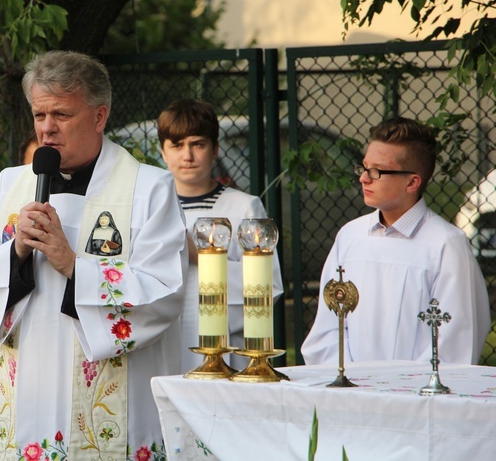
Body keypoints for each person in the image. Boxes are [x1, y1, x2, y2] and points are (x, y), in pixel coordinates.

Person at [0, 50, 187, 459]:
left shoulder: (148, 189)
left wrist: (74, 266)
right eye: (39, 116)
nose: (47, 129)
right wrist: (16, 252)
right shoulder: (10, 187)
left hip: (116, 409)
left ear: (99, 116)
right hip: (28, 403)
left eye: (61, 115)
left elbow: (164, 293)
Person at [301, 117, 491, 365]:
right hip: (350, 393)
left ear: (412, 182)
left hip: (414, 397)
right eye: (364, 168)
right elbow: (328, 329)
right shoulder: (350, 237)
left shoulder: (445, 245)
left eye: (377, 171)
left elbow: (456, 342)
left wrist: (397, 391)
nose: (364, 179)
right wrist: (350, 382)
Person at [156, 98, 284, 371]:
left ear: (215, 150)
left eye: (197, 144)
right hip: (162, 336)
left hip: (222, 342)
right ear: (163, 152)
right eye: (177, 146)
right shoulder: (151, 208)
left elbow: (268, 286)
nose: (187, 156)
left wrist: (200, 256)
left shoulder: (243, 206)